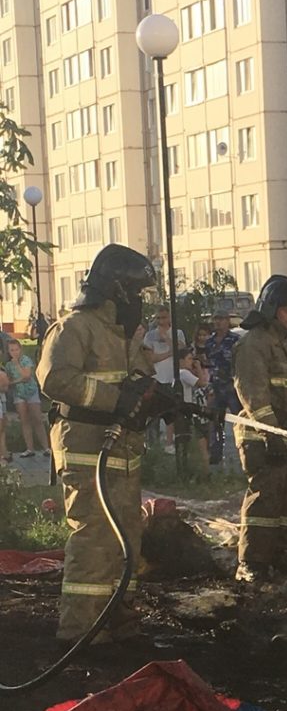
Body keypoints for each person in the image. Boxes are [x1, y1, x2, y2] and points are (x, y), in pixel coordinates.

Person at [37, 243, 168, 644]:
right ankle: (80, 632)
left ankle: (118, 619)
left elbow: (134, 383)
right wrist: (117, 400)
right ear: (118, 290)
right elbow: (55, 379)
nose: (143, 303)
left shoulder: (124, 334)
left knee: (127, 535)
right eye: (139, 293)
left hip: (122, 452)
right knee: (94, 535)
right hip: (86, 447)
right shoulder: (75, 327)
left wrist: (156, 399)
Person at [232, 274, 287, 583]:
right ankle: (251, 562)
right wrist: (271, 434)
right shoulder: (253, 344)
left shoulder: (285, 346)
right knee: (264, 500)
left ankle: (279, 554)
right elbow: (253, 394)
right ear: (271, 308)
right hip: (262, 438)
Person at [143, 305, 187, 453]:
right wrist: (169, 353)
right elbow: (151, 358)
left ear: (169, 318)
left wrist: (167, 339)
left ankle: (169, 443)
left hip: (172, 378)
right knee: (152, 414)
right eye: (158, 318)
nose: (161, 321)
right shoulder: (150, 336)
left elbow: (181, 351)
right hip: (156, 378)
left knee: (171, 412)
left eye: (164, 318)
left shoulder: (178, 333)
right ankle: (152, 445)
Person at [205, 309, 241, 464]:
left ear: (228, 321)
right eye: (215, 320)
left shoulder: (235, 340)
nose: (218, 323)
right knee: (215, 422)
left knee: (240, 420)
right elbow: (206, 364)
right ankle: (216, 454)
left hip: (232, 386)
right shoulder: (210, 342)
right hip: (216, 386)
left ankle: (243, 451)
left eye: (221, 319)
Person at [4, 339, 50, 457]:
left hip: (31, 391)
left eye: (16, 349)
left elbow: (26, 376)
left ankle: (46, 447)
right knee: (24, 420)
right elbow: (8, 380)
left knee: (37, 419)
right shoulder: (8, 365)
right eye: (12, 350)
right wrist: (13, 381)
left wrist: (17, 365)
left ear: (20, 349)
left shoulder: (25, 360)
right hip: (18, 393)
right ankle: (30, 448)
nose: (14, 352)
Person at [177, 346, 211, 476]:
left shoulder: (183, 374)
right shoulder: (183, 374)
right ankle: (205, 472)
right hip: (191, 413)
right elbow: (203, 383)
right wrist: (198, 367)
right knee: (201, 441)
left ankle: (200, 470)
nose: (191, 361)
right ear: (180, 361)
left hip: (190, 412)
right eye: (189, 359)